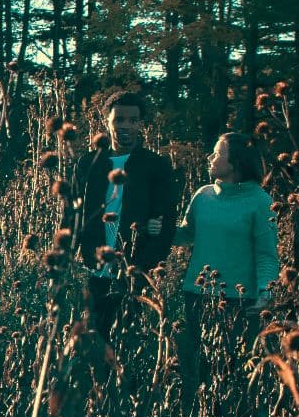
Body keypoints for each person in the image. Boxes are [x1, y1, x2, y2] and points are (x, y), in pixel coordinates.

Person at [68, 90, 180, 338]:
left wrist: (145, 266)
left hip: (134, 270)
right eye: (119, 119)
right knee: (92, 339)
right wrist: (69, 259)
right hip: (92, 269)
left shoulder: (155, 165)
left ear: (141, 124)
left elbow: (166, 222)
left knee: (127, 339)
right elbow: (72, 215)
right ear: (106, 121)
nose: (126, 126)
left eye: (133, 120)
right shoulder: (88, 163)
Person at [178, 131, 281, 319]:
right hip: (196, 294)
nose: (210, 158)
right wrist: (155, 228)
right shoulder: (203, 195)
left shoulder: (260, 201)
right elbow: (187, 234)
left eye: (217, 154)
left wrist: (265, 294)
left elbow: (267, 254)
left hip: (238, 301)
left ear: (235, 163)